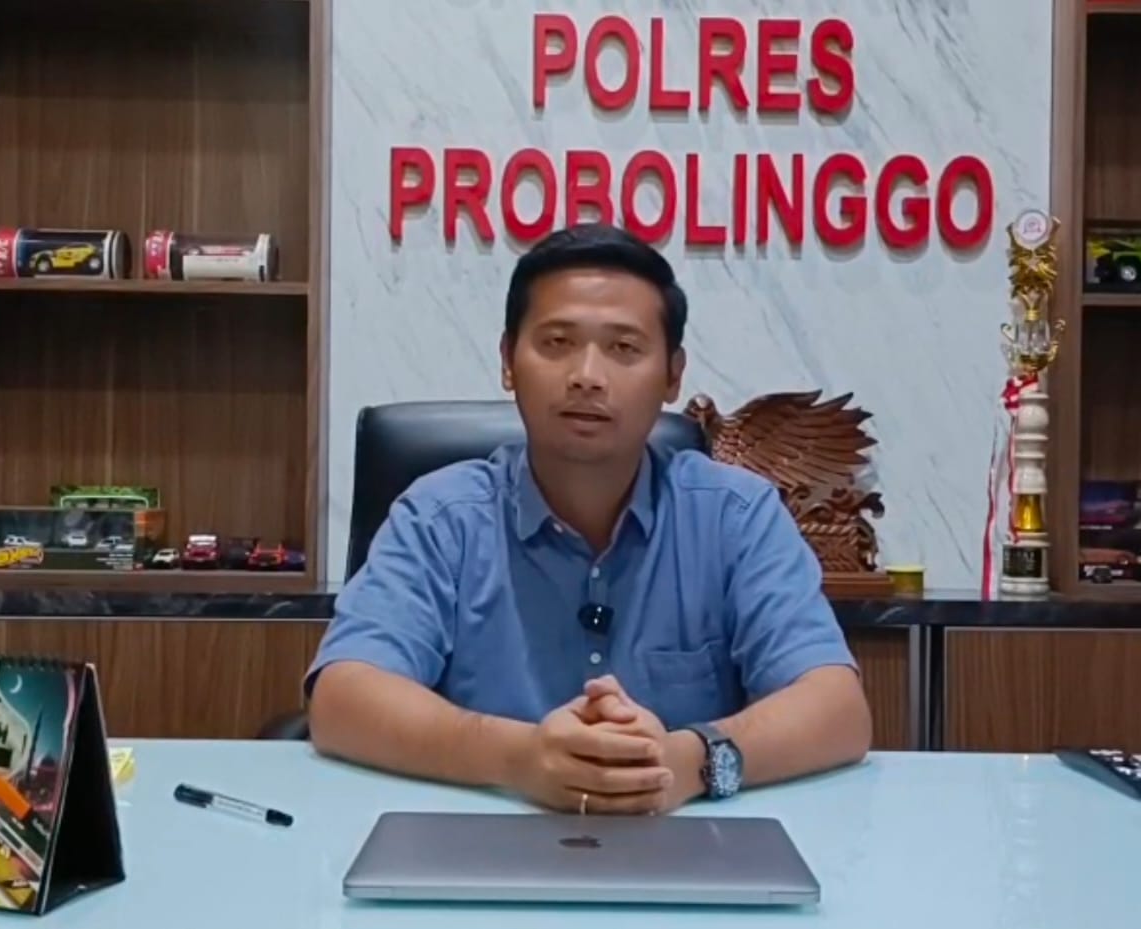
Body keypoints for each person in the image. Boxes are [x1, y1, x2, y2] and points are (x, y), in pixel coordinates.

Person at [306, 222, 871, 815]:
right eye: (557, 342)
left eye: (624, 348)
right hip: (484, 844)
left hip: (682, 846)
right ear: (508, 361)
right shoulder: (441, 518)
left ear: (673, 376)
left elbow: (836, 709)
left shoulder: (736, 516)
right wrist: (520, 758)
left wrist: (686, 762)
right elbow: (343, 698)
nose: (587, 376)